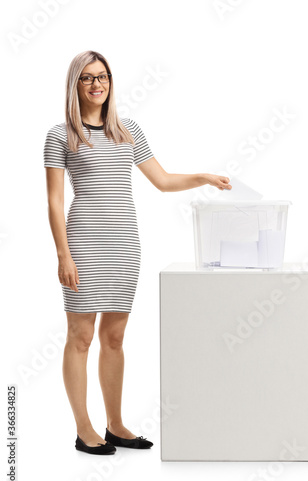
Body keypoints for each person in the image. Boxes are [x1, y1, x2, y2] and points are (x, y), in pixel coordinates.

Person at [44, 50, 232, 455]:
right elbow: (55, 201)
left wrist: (202, 176)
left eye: (104, 77)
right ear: (75, 84)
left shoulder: (127, 130)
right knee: (81, 336)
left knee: (115, 336)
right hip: (83, 242)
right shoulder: (61, 135)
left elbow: (161, 180)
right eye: (88, 78)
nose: (97, 84)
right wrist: (63, 254)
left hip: (125, 243)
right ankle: (84, 428)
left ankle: (116, 424)